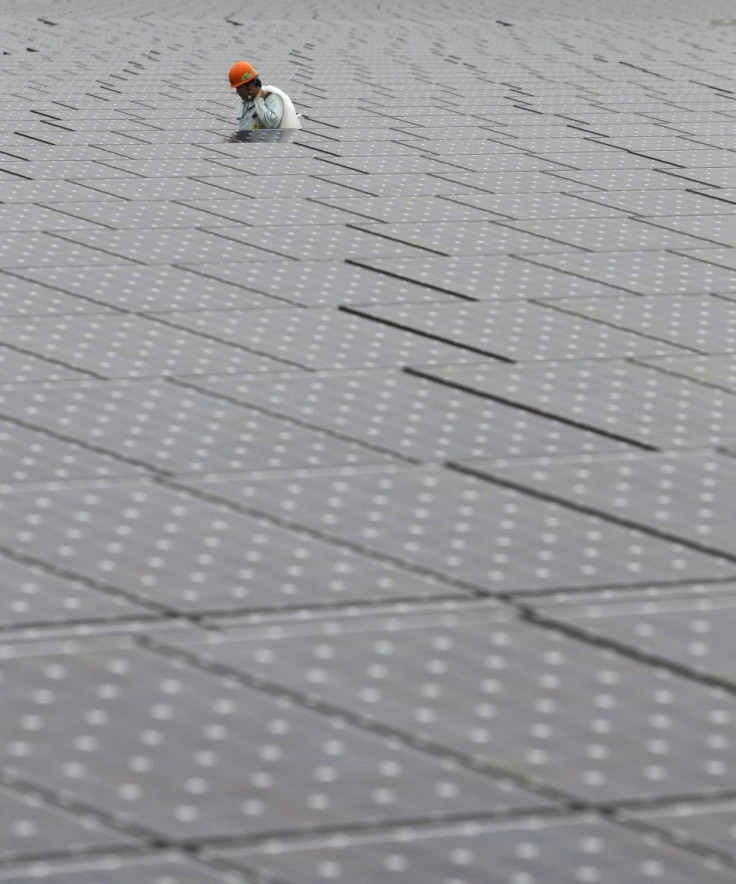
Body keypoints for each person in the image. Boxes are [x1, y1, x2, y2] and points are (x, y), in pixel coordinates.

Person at [228, 61, 302, 130]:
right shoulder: (245, 103)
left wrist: (259, 101)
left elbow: (272, 123)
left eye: (238, 88)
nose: (237, 92)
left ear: (250, 85)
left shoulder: (273, 98)